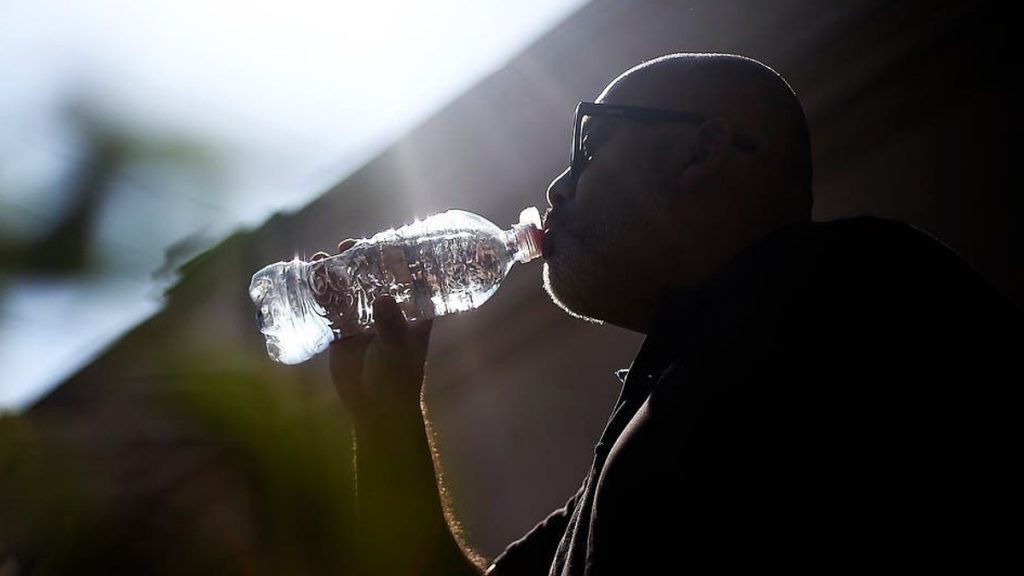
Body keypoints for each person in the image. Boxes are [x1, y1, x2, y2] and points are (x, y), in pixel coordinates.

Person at [322, 53, 1022, 575]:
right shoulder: (643, 429)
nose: (558, 186)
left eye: (590, 147)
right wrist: (385, 425)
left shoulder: (861, 294)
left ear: (698, 151)